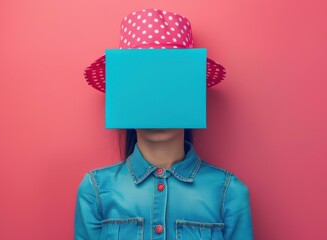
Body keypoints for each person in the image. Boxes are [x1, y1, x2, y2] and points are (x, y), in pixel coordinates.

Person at [75, 8, 254, 240]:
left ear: (191, 92)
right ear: (124, 94)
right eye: (142, 86)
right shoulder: (95, 191)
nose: (156, 101)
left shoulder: (229, 194)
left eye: (171, 85)